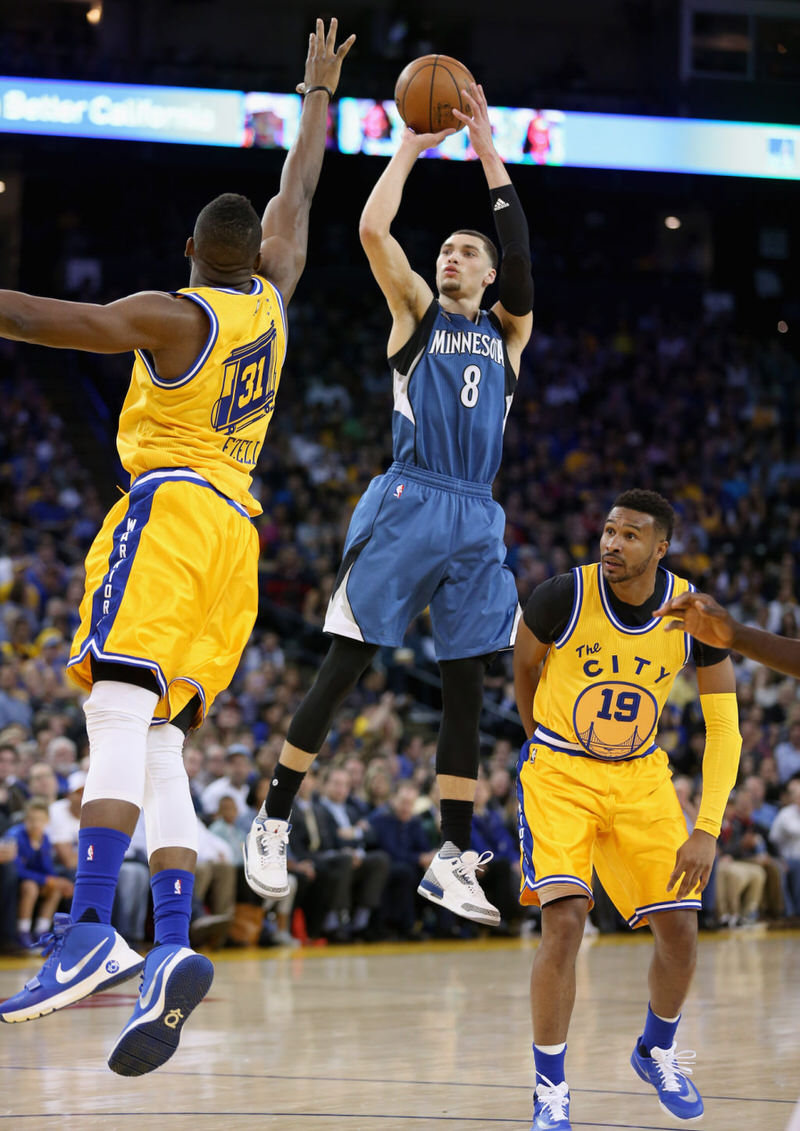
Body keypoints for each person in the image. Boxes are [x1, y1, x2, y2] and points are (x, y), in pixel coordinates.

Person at [0, 18, 354, 1078]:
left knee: (111, 710)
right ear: (255, 258)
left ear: (193, 254)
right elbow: (299, 193)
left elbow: (39, 316)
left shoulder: (172, 314)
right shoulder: (275, 300)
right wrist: (315, 100)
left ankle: (87, 929)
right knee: (158, 740)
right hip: (234, 545)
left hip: (170, 513)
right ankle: (169, 948)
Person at [244, 81, 533, 926]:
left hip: (477, 514)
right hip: (410, 499)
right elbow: (375, 230)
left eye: (464, 251)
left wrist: (484, 145)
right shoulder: (414, 314)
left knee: (467, 688)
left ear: (486, 275)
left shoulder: (509, 333)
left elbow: (519, 253)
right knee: (344, 666)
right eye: (444, 248)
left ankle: (450, 853)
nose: (451, 256)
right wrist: (410, 143)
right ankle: (273, 817)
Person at [513, 490, 741, 1129]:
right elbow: (525, 668)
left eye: (631, 535)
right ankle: (550, 1089)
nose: (613, 543)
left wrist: (707, 827)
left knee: (682, 932)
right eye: (609, 531)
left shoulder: (694, 614)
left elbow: (723, 727)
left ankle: (657, 1049)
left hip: (642, 778)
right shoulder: (562, 595)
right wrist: (542, 742)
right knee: (564, 920)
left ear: (661, 548)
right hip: (561, 770)